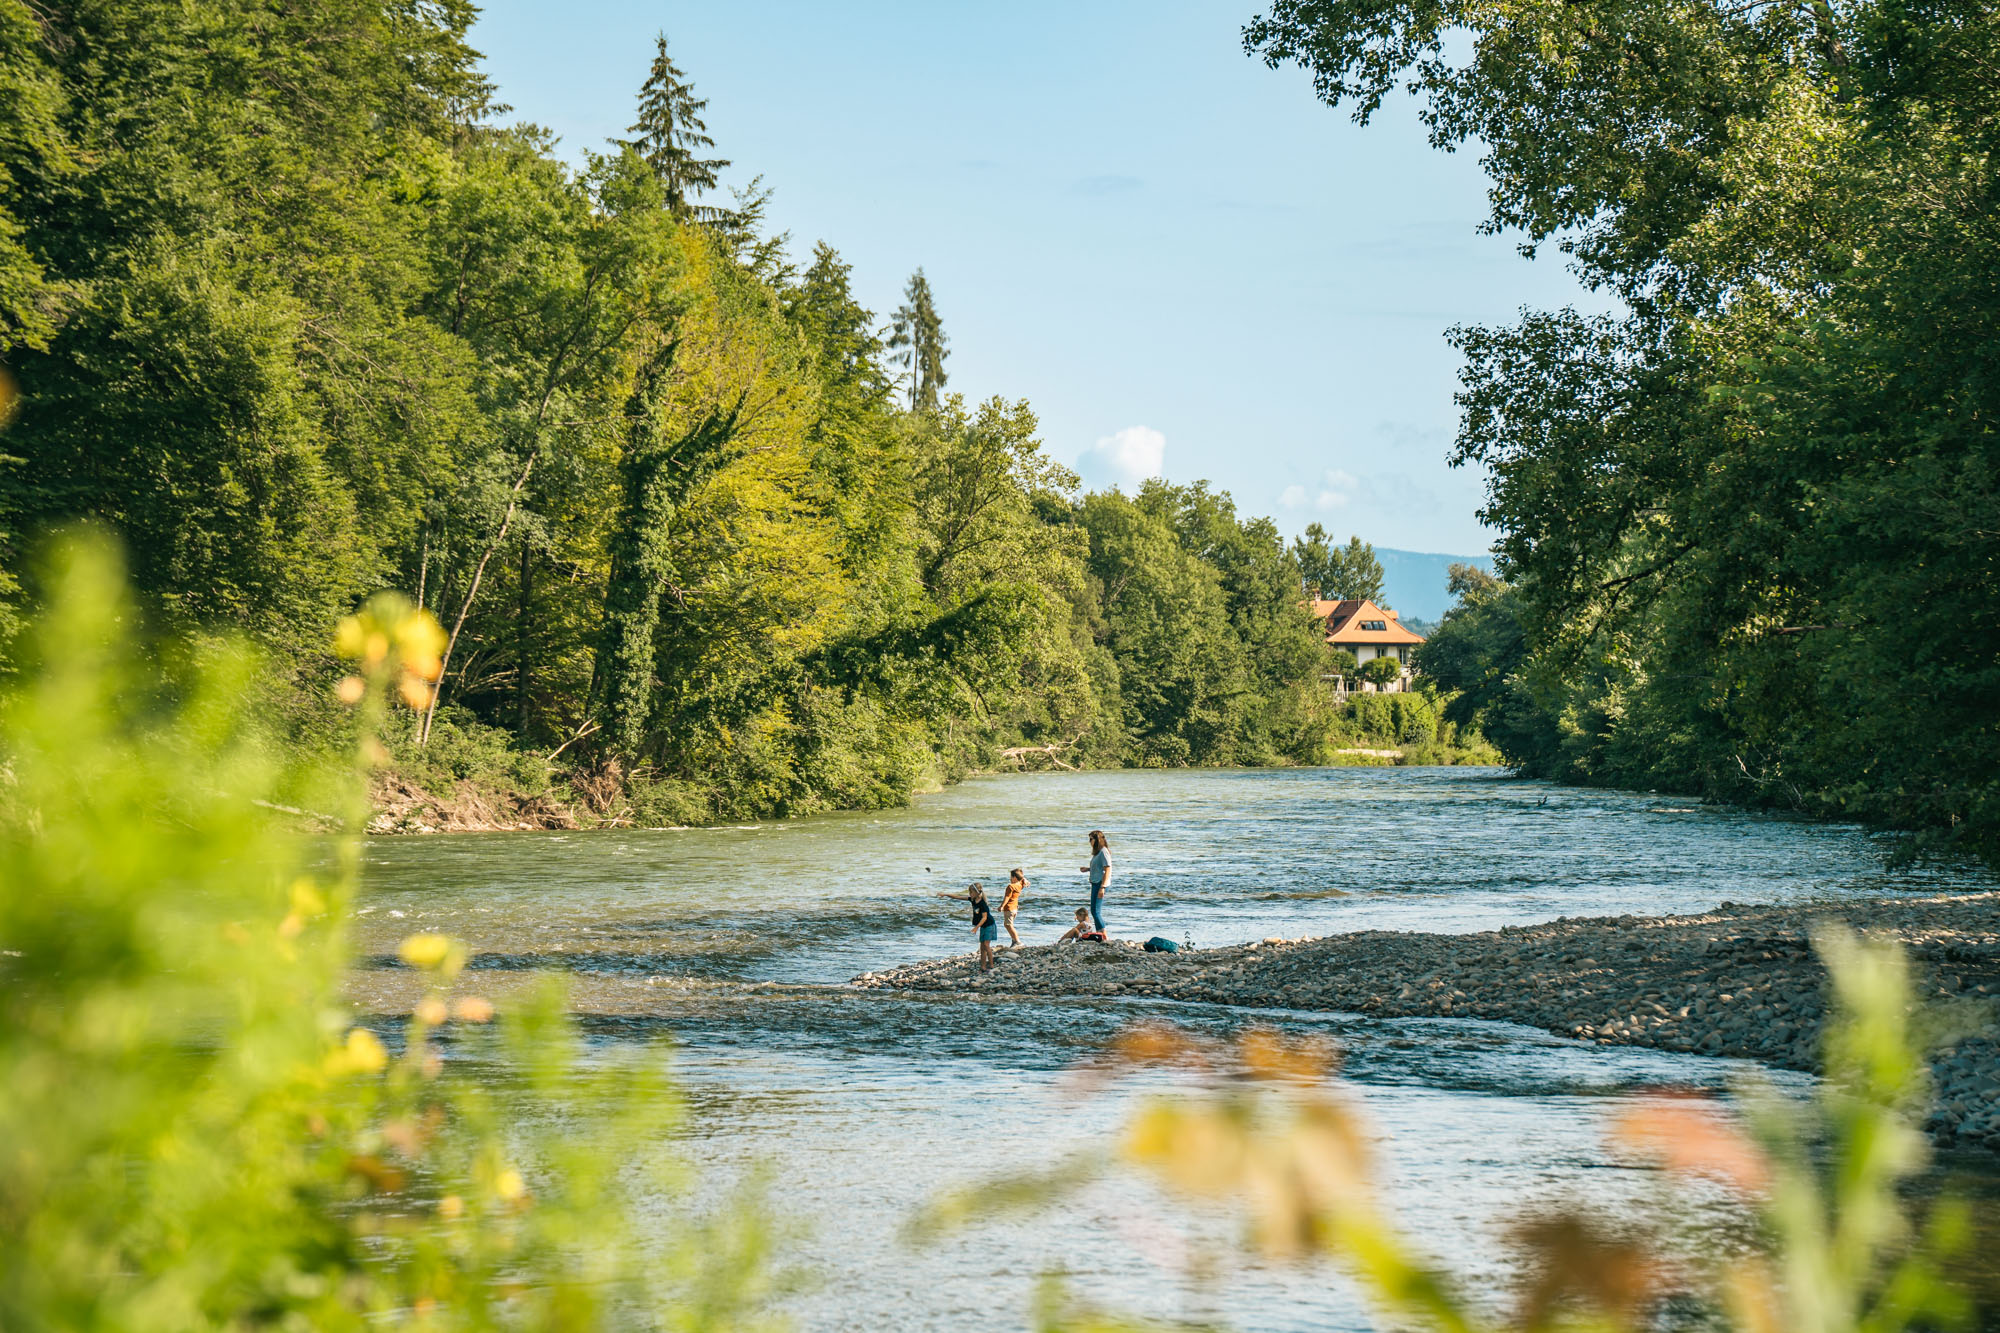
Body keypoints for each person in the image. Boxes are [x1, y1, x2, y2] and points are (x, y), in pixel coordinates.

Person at [937, 881, 998, 971]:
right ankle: (983, 966)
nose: (969, 894)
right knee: (982, 947)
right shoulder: (972, 900)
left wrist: (976, 928)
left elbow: (984, 918)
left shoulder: (982, 904)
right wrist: (945, 894)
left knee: (986, 945)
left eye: (971, 892)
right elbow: (958, 897)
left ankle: (991, 965)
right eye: (969, 892)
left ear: (977, 893)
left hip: (989, 925)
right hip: (983, 926)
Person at [1079, 829, 1111, 935]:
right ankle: (1100, 933)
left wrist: (1102, 887)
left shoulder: (1103, 852)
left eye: (1091, 839)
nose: (1089, 842)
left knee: (1096, 912)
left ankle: (1104, 934)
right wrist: (1088, 869)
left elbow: (1107, 869)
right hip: (1095, 883)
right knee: (1094, 911)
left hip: (1100, 884)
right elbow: (1099, 867)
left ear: (1097, 840)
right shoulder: (1098, 852)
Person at [999, 868, 1026, 947]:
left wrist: (1001, 906)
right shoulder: (1020, 884)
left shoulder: (1011, 886)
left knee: (1008, 925)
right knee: (1008, 924)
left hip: (1009, 908)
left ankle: (1017, 941)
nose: (1010, 878)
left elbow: (1007, 897)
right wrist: (1024, 879)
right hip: (1015, 908)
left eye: (1011, 877)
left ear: (1014, 878)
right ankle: (1014, 941)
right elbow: (1022, 880)